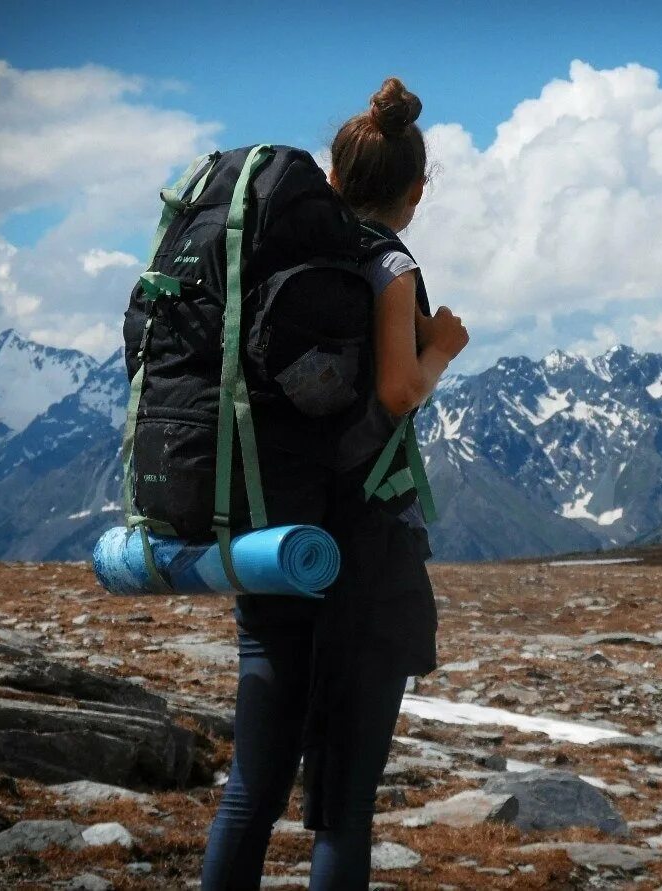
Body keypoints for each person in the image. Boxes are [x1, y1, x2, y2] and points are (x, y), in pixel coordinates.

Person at [200, 77, 469, 891]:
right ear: (417, 190)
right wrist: (442, 346)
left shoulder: (284, 252)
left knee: (250, 789)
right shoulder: (387, 263)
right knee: (344, 811)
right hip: (365, 557)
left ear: (334, 174)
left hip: (279, 538)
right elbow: (395, 391)